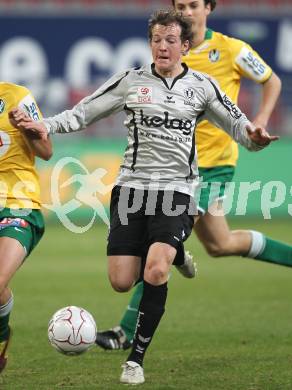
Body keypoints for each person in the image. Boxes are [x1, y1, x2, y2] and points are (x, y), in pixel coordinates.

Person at [11, 10, 277, 385]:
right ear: (150, 43)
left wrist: (255, 138)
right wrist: (46, 125)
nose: (163, 47)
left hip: (177, 191)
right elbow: (84, 112)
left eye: (171, 40)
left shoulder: (202, 86)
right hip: (131, 191)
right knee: (122, 280)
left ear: (185, 46)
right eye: (157, 39)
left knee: (155, 270)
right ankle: (178, 251)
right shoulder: (132, 81)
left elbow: (238, 125)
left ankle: (135, 358)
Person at [94, 0, 291, 354]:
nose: (187, 11)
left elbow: (271, 80)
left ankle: (125, 331)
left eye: (194, 5)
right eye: (181, 5)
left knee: (159, 247)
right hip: (172, 168)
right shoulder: (166, 57)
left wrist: (258, 120)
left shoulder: (231, 49)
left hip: (210, 166)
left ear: (209, 9)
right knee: (220, 244)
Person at [0, 82, 52, 373]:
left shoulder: (16, 96)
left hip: (17, 202)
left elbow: (46, 150)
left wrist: (26, 127)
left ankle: (0, 337)